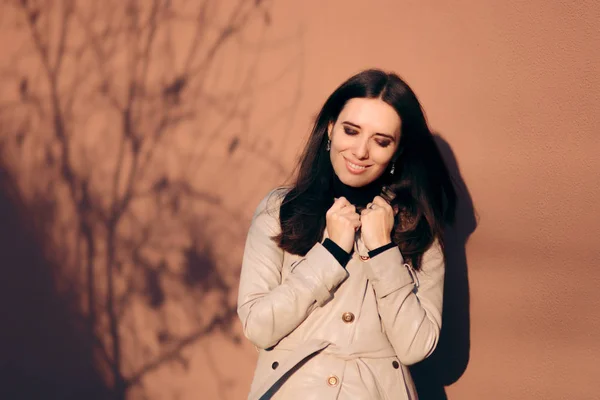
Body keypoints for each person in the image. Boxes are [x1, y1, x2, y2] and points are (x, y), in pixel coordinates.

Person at [237, 69, 456, 399]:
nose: (360, 151)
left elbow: (415, 346)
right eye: (351, 131)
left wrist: (383, 250)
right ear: (330, 129)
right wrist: (330, 254)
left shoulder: (416, 228)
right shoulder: (281, 210)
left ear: (397, 151)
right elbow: (258, 327)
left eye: (381, 141)